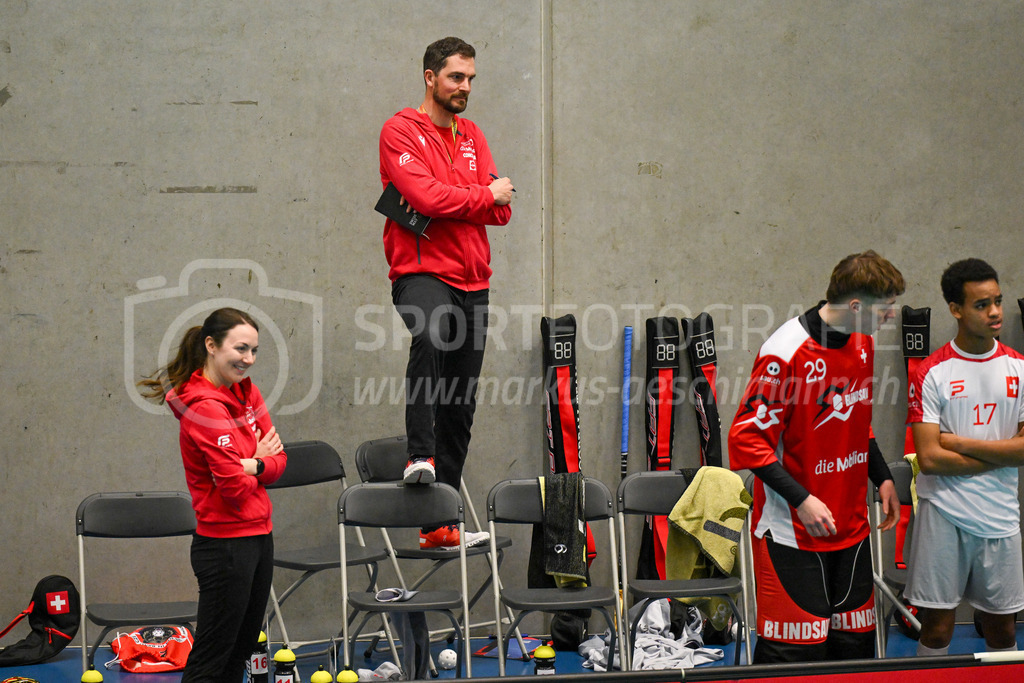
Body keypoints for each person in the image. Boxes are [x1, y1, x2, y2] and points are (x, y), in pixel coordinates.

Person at [728, 250, 905, 663]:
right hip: (793, 532)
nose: (891, 316)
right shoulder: (785, 352)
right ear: (856, 306)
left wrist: (882, 478)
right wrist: (802, 500)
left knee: (854, 650)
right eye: (886, 307)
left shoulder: (863, 342)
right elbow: (746, 440)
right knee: (794, 655)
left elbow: (859, 421)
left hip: (852, 528)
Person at [378, 36, 513, 549]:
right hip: (421, 272)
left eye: (471, 79)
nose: (465, 87)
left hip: (473, 279)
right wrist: (479, 195)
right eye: (457, 77)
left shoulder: (472, 134)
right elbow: (422, 196)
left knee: (460, 403)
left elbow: (502, 210)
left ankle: (439, 524)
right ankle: (419, 455)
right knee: (430, 334)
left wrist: (470, 199)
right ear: (430, 76)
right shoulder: (400, 131)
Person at [139, 307, 286, 682]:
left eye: (254, 351)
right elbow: (233, 489)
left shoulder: (246, 392)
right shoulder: (204, 409)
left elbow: (281, 460)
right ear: (211, 345)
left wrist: (251, 463)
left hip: (259, 537)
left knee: (239, 654)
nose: (248, 360)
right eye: (240, 349)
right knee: (212, 660)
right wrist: (258, 461)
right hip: (224, 548)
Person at [905, 258, 1024, 656]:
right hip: (944, 514)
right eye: (981, 304)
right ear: (955, 309)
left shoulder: (1019, 368)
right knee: (937, 630)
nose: (994, 313)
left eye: (998, 301)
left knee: (1003, 632)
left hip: (1001, 516)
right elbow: (930, 459)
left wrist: (957, 443)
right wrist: (1002, 456)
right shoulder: (931, 372)